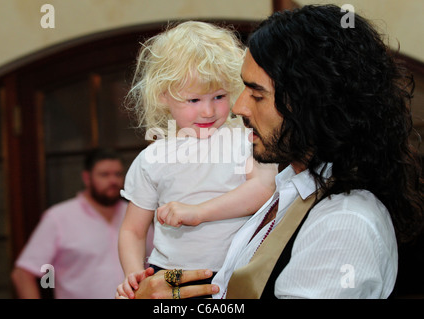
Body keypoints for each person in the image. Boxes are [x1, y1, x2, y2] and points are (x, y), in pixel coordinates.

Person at [116, 5, 423, 299]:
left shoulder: (344, 222)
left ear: (309, 102)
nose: (238, 108)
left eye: (257, 95)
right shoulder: (291, 188)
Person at [118, 21, 277, 298]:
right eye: (193, 100)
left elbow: (263, 189)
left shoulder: (246, 139)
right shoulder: (153, 158)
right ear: (163, 96)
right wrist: (134, 275)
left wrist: (198, 212)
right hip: (168, 278)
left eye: (219, 96)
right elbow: (132, 230)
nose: (208, 111)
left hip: (237, 272)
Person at [11, 148, 154, 299]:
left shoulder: (137, 214)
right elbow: (22, 274)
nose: (113, 181)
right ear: (87, 178)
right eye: (104, 175)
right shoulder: (58, 217)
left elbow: (153, 266)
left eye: (118, 174)